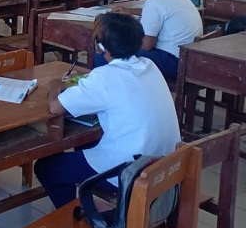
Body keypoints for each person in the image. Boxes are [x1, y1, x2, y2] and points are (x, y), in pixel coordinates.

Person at [34, 12, 181, 208]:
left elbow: (55, 107)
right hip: (164, 166)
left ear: (101, 46)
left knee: (46, 167)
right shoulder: (150, 65)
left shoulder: (104, 76)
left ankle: (76, 219)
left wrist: (55, 85)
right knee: (85, 145)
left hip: (130, 171)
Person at [108, 0, 203, 79]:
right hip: (190, 59)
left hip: (173, 63)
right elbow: (164, 13)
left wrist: (124, 38)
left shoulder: (155, 2)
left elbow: (146, 45)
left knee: (113, 50)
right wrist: (132, 11)